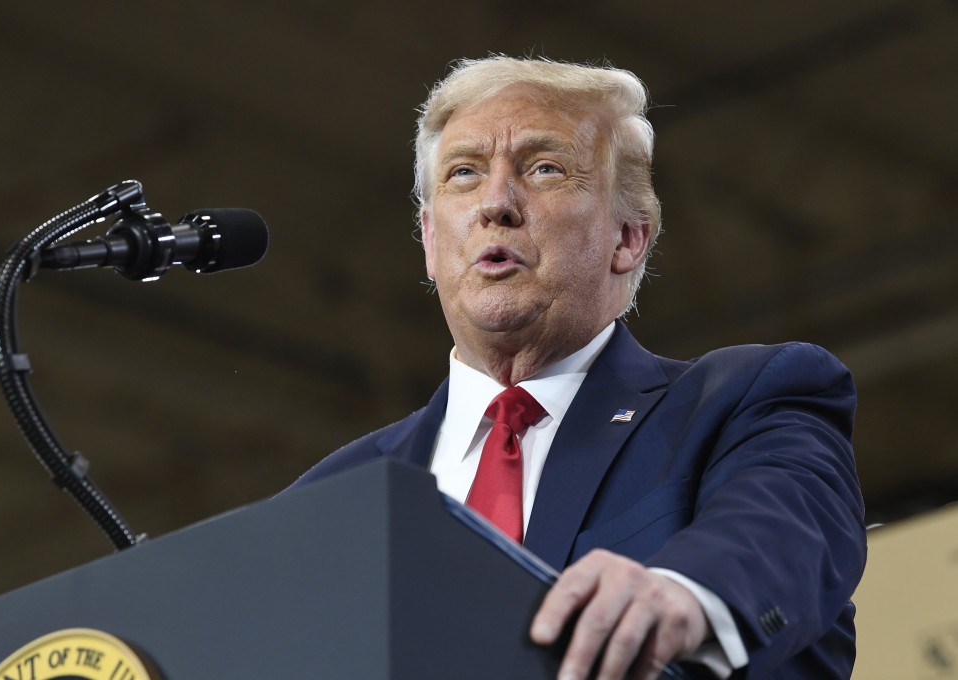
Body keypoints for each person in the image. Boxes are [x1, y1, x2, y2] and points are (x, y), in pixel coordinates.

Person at [292, 56, 866, 679]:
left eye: (545, 169)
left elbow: (786, 529)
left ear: (629, 237)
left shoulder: (742, 402)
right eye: (464, 173)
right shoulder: (330, 497)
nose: (497, 203)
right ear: (430, 240)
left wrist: (681, 593)